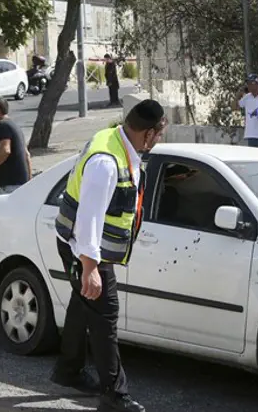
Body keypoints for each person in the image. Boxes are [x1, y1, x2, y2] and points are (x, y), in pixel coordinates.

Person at [52, 99, 167, 412]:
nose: (159, 141)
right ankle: (114, 397)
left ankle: (68, 370)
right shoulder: (106, 161)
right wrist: (89, 267)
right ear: (147, 133)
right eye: (159, 135)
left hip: (81, 243)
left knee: (83, 302)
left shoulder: (118, 142)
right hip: (83, 247)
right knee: (105, 315)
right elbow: (90, 216)